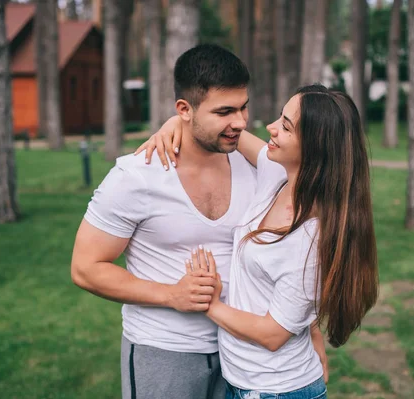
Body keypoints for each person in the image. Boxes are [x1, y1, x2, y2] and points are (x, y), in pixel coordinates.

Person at [71, 44, 327, 399]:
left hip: (243, 360)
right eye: (224, 111)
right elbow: (85, 267)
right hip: (164, 351)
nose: (239, 122)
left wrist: (311, 331)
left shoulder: (257, 168)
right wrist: (171, 295)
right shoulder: (136, 176)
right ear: (184, 110)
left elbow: (291, 264)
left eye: (243, 107)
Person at [137, 85, 379, 398]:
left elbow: (272, 334)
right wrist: (177, 123)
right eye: (281, 117)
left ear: (315, 147)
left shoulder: (310, 238)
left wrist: (209, 304)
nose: (271, 128)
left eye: (286, 126)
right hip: (244, 382)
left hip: (277, 389)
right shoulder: (277, 175)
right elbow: (231, 135)